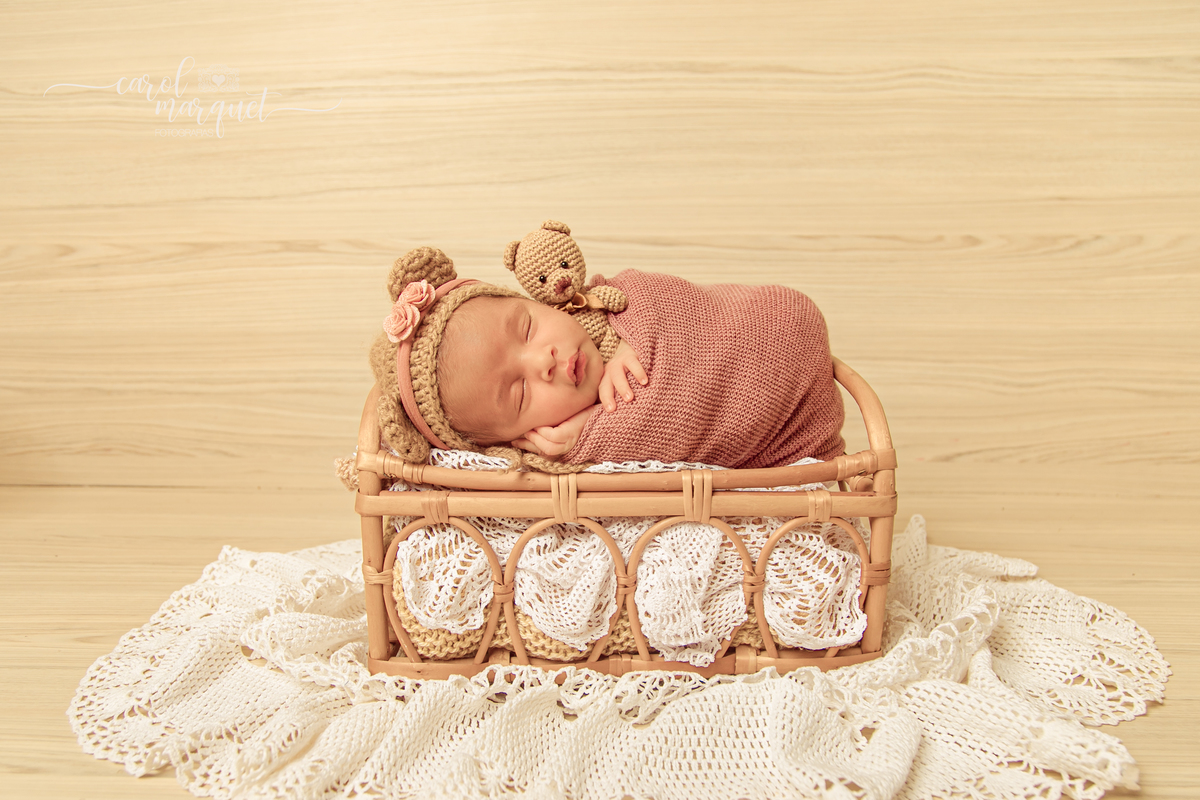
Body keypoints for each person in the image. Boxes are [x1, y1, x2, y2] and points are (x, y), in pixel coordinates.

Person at [371, 247, 844, 473]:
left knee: (790, 315)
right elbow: (667, 435)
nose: (545, 362)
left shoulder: (608, 299)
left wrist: (627, 346)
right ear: (519, 441)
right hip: (790, 438)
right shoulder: (573, 443)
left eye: (529, 327)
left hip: (774, 321)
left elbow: (660, 297)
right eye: (519, 393)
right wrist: (591, 437)